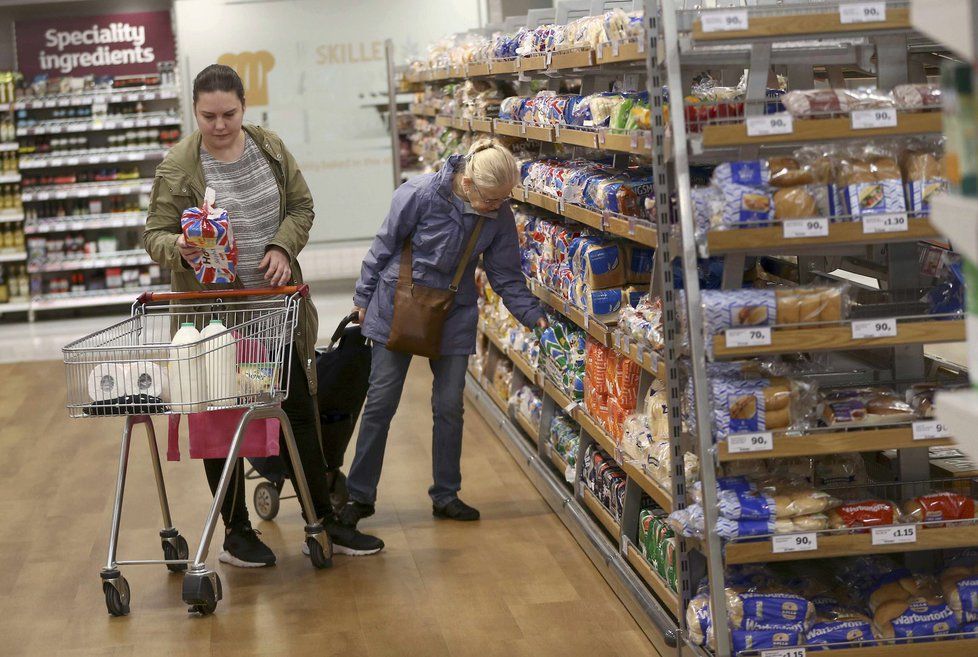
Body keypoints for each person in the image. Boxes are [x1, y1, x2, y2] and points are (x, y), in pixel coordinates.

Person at [144, 64, 384, 567]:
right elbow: (153, 235)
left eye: (228, 113)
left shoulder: (269, 149)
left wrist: (281, 244)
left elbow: (302, 207)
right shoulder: (177, 168)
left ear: (243, 106)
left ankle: (321, 520)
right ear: (194, 110)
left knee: (295, 414)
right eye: (208, 115)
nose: (219, 125)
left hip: (274, 321)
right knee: (222, 423)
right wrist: (180, 247)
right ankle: (236, 532)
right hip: (214, 327)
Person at [340, 138, 547, 528]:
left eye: (503, 200)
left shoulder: (497, 213)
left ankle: (446, 494)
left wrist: (534, 318)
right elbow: (383, 245)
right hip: (396, 304)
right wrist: (362, 299)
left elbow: (505, 275)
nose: (496, 207)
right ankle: (359, 496)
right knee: (381, 402)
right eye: (490, 199)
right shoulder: (417, 194)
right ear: (467, 182)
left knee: (450, 405)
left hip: (454, 310)